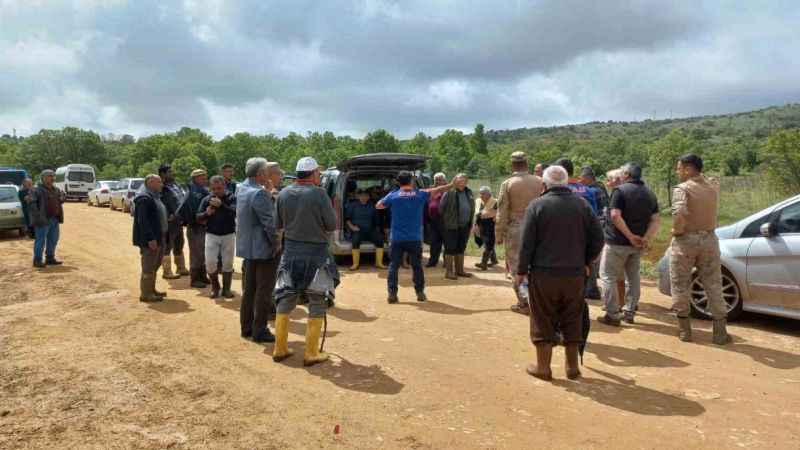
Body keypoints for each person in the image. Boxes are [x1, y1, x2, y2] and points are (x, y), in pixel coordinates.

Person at [516, 166, 604, 381]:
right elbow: (598, 239)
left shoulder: (537, 205)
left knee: (542, 317)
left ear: (544, 185)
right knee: (573, 316)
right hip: (574, 273)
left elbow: (526, 243)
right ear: (566, 183)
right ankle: (572, 368)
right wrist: (586, 261)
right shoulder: (582, 205)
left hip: (543, 274)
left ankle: (543, 368)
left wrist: (520, 271)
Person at [272, 157, 338, 365]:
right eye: (318, 172)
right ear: (313, 173)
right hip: (316, 255)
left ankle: (280, 348)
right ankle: (311, 353)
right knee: (317, 300)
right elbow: (331, 224)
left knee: (286, 299)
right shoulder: (319, 194)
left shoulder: (283, 193)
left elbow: (278, 224)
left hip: (290, 254)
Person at [670, 154, 731, 345]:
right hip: (710, 239)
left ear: (688, 169)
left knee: (680, 283)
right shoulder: (712, 186)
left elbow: (679, 212)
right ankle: (720, 332)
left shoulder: (682, 189)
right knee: (714, 284)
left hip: (686, 240)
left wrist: (677, 229)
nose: (677, 171)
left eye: (679, 168)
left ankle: (684, 330)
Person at [597, 163, 660, 326]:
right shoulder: (650, 193)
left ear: (625, 175)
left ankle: (612, 314)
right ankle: (629, 312)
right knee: (633, 278)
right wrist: (645, 238)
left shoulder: (620, 191)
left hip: (617, 242)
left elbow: (615, 215)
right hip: (637, 246)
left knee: (607, 276)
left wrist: (630, 236)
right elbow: (656, 220)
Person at [376, 170, 451, 304]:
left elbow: (379, 205)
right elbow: (436, 189)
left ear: (398, 182)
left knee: (394, 266)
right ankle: (420, 292)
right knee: (417, 266)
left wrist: (391, 195)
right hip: (414, 238)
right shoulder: (420, 194)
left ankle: (392, 294)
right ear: (411, 181)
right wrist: (451, 184)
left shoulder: (393, 195)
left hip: (397, 238)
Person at [237, 158, 282, 342]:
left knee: (249, 290)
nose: (267, 175)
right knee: (264, 290)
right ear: (260, 174)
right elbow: (270, 225)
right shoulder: (259, 194)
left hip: (248, 248)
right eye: (265, 172)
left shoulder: (242, 188)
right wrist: (277, 244)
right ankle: (260, 330)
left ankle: (246, 327)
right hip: (263, 249)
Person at [496, 151, 544, 314]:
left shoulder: (508, 183)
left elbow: (502, 212)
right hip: (539, 229)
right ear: (527, 163)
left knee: (517, 267)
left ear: (512, 164)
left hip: (516, 229)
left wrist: (499, 233)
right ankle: (539, 300)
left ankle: (524, 302)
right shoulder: (540, 181)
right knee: (537, 266)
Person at [197, 175, 237, 299]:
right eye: (213, 189)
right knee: (210, 263)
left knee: (228, 263)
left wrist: (222, 205)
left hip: (228, 235)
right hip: (211, 235)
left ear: (224, 186)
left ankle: (226, 289)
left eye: (219, 188)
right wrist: (206, 213)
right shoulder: (207, 199)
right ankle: (215, 287)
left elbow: (235, 212)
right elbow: (198, 217)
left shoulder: (231, 197)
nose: (216, 191)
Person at [133, 174, 168, 303]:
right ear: (151, 183)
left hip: (159, 237)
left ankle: (151, 290)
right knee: (148, 266)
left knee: (155, 265)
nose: (161, 184)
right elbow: (142, 220)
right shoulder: (144, 198)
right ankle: (146, 294)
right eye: (159, 182)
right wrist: (150, 238)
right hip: (151, 239)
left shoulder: (154, 196)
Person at [178, 169, 211, 288]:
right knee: (196, 254)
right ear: (196, 178)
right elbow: (182, 209)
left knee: (203, 253)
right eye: (203, 177)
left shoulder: (202, 190)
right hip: (195, 227)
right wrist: (191, 221)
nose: (205, 179)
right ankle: (195, 279)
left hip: (202, 226)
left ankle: (202, 276)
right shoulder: (191, 192)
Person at [439, 174, 475, 280]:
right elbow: (441, 209)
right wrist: (447, 220)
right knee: (450, 248)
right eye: (459, 180)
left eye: (463, 180)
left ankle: (460, 271)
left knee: (461, 248)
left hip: (465, 226)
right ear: (454, 181)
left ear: (466, 182)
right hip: (451, 226)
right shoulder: (449, 192)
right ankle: (449, 272)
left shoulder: (469, 192)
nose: (461, 182)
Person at [28, 170, 65, 268]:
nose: (52, 178)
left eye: (53, 176)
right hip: (42, 219)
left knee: (53, 239)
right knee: (40, 240)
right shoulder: (35, 189)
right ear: (43, 178)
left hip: (54, 219)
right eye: (50, 176)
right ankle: (37, 260)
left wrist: (63, 197)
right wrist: (38, 218)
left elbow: (60, 200)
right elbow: (32, 206)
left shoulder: (56, 189)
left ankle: (50, 258)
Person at [158, 164, 189, 279]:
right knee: (167, 245)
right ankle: (167, 271)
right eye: (170, 172)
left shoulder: (175, 185)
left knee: (179, 243)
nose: (173, 173)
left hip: (178, 219)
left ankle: (181, 267)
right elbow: (160, 203)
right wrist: (167, 215)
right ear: (163, 174)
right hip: (168, 222)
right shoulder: (161, 186)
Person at [346, 188, 386, 270]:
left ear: (368, 197)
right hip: (358, 230)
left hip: (370, 230)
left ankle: (379, 263)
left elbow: (377, 220)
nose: (364, 197)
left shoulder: (372, 205)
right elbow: (347, 219)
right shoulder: (353, 205)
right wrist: (352, 227)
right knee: (355, 241)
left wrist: (378, 230)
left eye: (366, 195)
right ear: (358, 196)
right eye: (362, 195)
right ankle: (355, 264)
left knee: (380, 240)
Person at [424, 172, 447, 268]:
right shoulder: (431, 190)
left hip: (446, 221)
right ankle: (432, 261)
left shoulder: (448, 190)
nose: (437, 181)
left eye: (440, 179)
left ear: (444, 181)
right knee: (434, 242)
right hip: (433, 221)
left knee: (447, 243)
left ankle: (447, 262)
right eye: (436, 179)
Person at [473, 186, 498, 271]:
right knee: (486, 242)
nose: (481, 195)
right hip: (480, 224)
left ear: (489, 194)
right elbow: (477, 212)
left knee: (489, 243)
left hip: (491, 224)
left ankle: (484, 263)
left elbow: (493, 214)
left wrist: (481, 214)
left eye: (483, 193)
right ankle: (494, 260)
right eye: (480, 193)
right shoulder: (478, 201)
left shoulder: (495, 202)